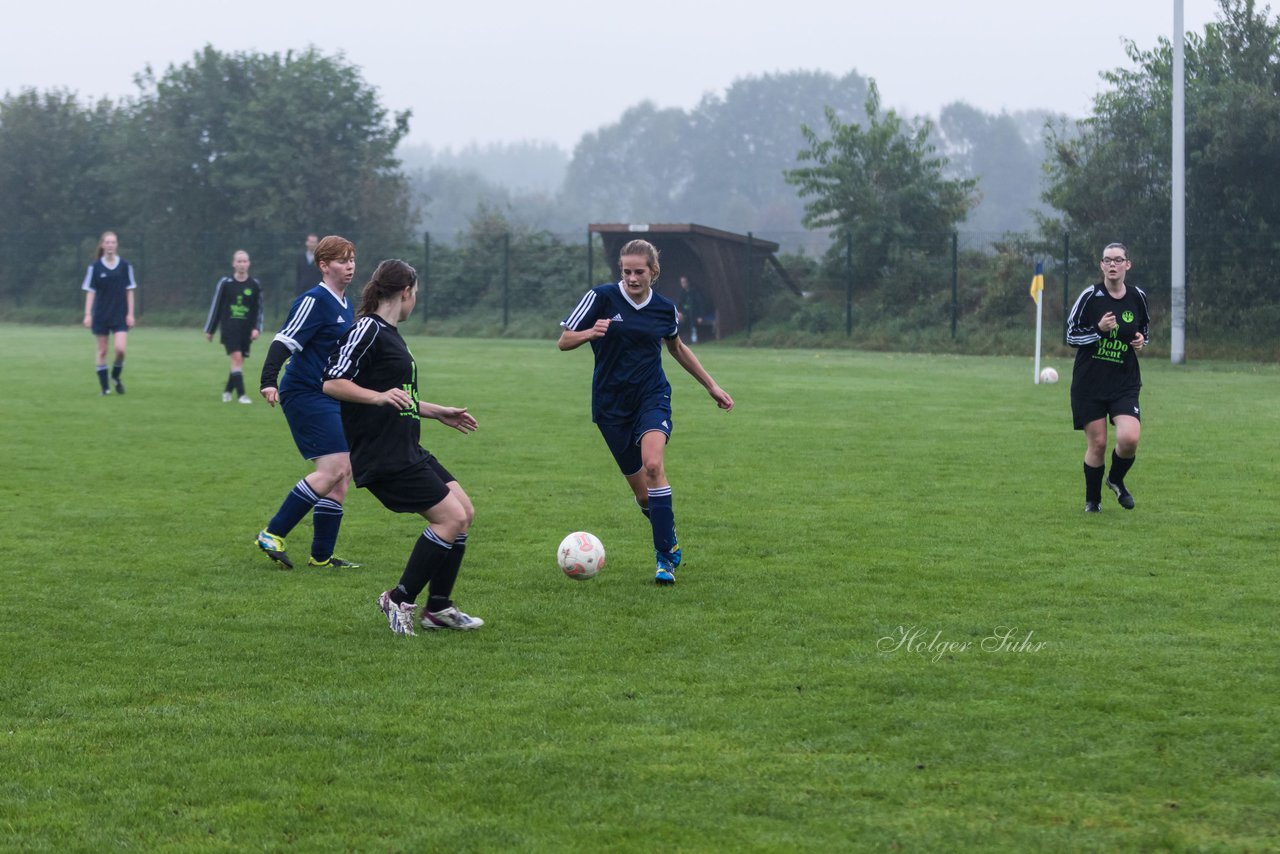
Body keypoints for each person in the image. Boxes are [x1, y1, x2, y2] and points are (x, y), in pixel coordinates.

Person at [558, 239, 734, 585]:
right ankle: (669, 534)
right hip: (610, 406)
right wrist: (590, 332)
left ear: (653, 272)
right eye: (626, 272)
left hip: (652, 397)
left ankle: (664, 558)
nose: (632, 278)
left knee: (654, 466)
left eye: (639, 272)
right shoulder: (600, 298)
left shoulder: (665, 309)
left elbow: (677, 348)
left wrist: (711, 386)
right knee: (643, 495)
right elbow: (564, 340)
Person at [323, 259, 484, 635]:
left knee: (464, 512)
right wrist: (377, 398)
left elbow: (398, 396)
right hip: (383, 454)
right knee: (451, 519)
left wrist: (435, 411)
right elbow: (332, 382)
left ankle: (439, 608)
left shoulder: (390, 333)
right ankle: (398, 599)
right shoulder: (367, 329)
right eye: (416, 295)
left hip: (407, 446)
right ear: (406, 292)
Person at [255, 235, 363, 569]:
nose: (349, 266)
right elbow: (283, 340)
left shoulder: (345, 303)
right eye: (342, 260)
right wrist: (268, 381)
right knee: (333, 468)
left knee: (342, 474)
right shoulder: (314, 300)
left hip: (330, 395)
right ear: (323, 265)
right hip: (304, 393)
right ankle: (272, 533)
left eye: (352, 260)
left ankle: (321, 556)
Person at [1066, 242, 1151, 513]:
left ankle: (1115, 479)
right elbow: (1070, 335)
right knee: (1099, 442)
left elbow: (1143, 330)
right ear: (1102, 265)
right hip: (1089, 383)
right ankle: (1093, 502)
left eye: (1117, 260)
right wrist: (1099, 330)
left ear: (1128, 264)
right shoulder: (1090, 296)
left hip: (1123, 382)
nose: (1112, 264)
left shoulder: (1137, 296)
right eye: (1107, 260)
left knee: (1129, 438)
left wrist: (1140, 341)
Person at [203, 250, 264, 404]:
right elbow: (216, 307)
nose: (242, 264)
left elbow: (259, 309)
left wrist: (257, 328)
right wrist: (210, 329)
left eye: (244, 261)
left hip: (246, 330)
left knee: (239, 362)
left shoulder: (254, 285)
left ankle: (227, 391)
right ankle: (242, 395)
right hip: (230, 328)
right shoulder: (225, 283)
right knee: (236, 359)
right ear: (233, 263)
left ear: (248, 263)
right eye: (239, 261)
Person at [82, 231, 137, 395]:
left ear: (117, 245)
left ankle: (115, 377)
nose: (110, 245)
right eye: (107, 242)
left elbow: (130, 291)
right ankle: (105, 388)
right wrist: (87, 314)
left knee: (120, 350)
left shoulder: (125, 266)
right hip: (101, 315)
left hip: (120, 314)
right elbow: (90, 292)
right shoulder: (95, 267)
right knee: (103, 351)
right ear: (102, 245)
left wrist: (130, 314)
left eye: (113, 242)